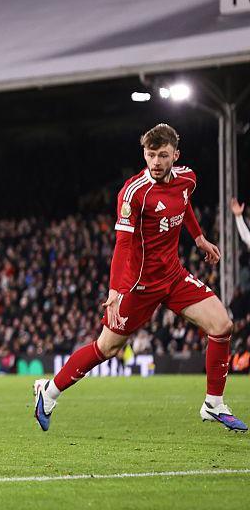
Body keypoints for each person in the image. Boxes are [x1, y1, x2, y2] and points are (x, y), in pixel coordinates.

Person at [33, 123, 246, 432]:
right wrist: (116, 290)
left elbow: (183, 205)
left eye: (162, 155)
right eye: (150, 155)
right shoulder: (134, 193)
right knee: (107, 348)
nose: (156, 162)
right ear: (144, 155)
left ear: (176, 155)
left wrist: (198, 238)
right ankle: (49, 392)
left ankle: (213, 403)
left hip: (173, 277)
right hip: (139, 285)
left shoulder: (187, 178)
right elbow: (121, 243)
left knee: (222, 324)